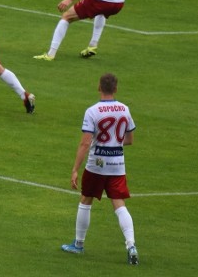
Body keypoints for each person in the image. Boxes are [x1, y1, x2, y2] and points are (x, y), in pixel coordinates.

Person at [61, 73, 138, 265]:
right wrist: (114, 143)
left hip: (97, 164)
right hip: (117, 165)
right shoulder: (124, 109)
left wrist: (75, 169)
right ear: (116, 89)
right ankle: (131, 245)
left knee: (86, 199)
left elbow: (85, 143)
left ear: (99, 87)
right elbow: (129, 140)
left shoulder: (92, 111)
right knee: (119, 204)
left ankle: (78, 244)